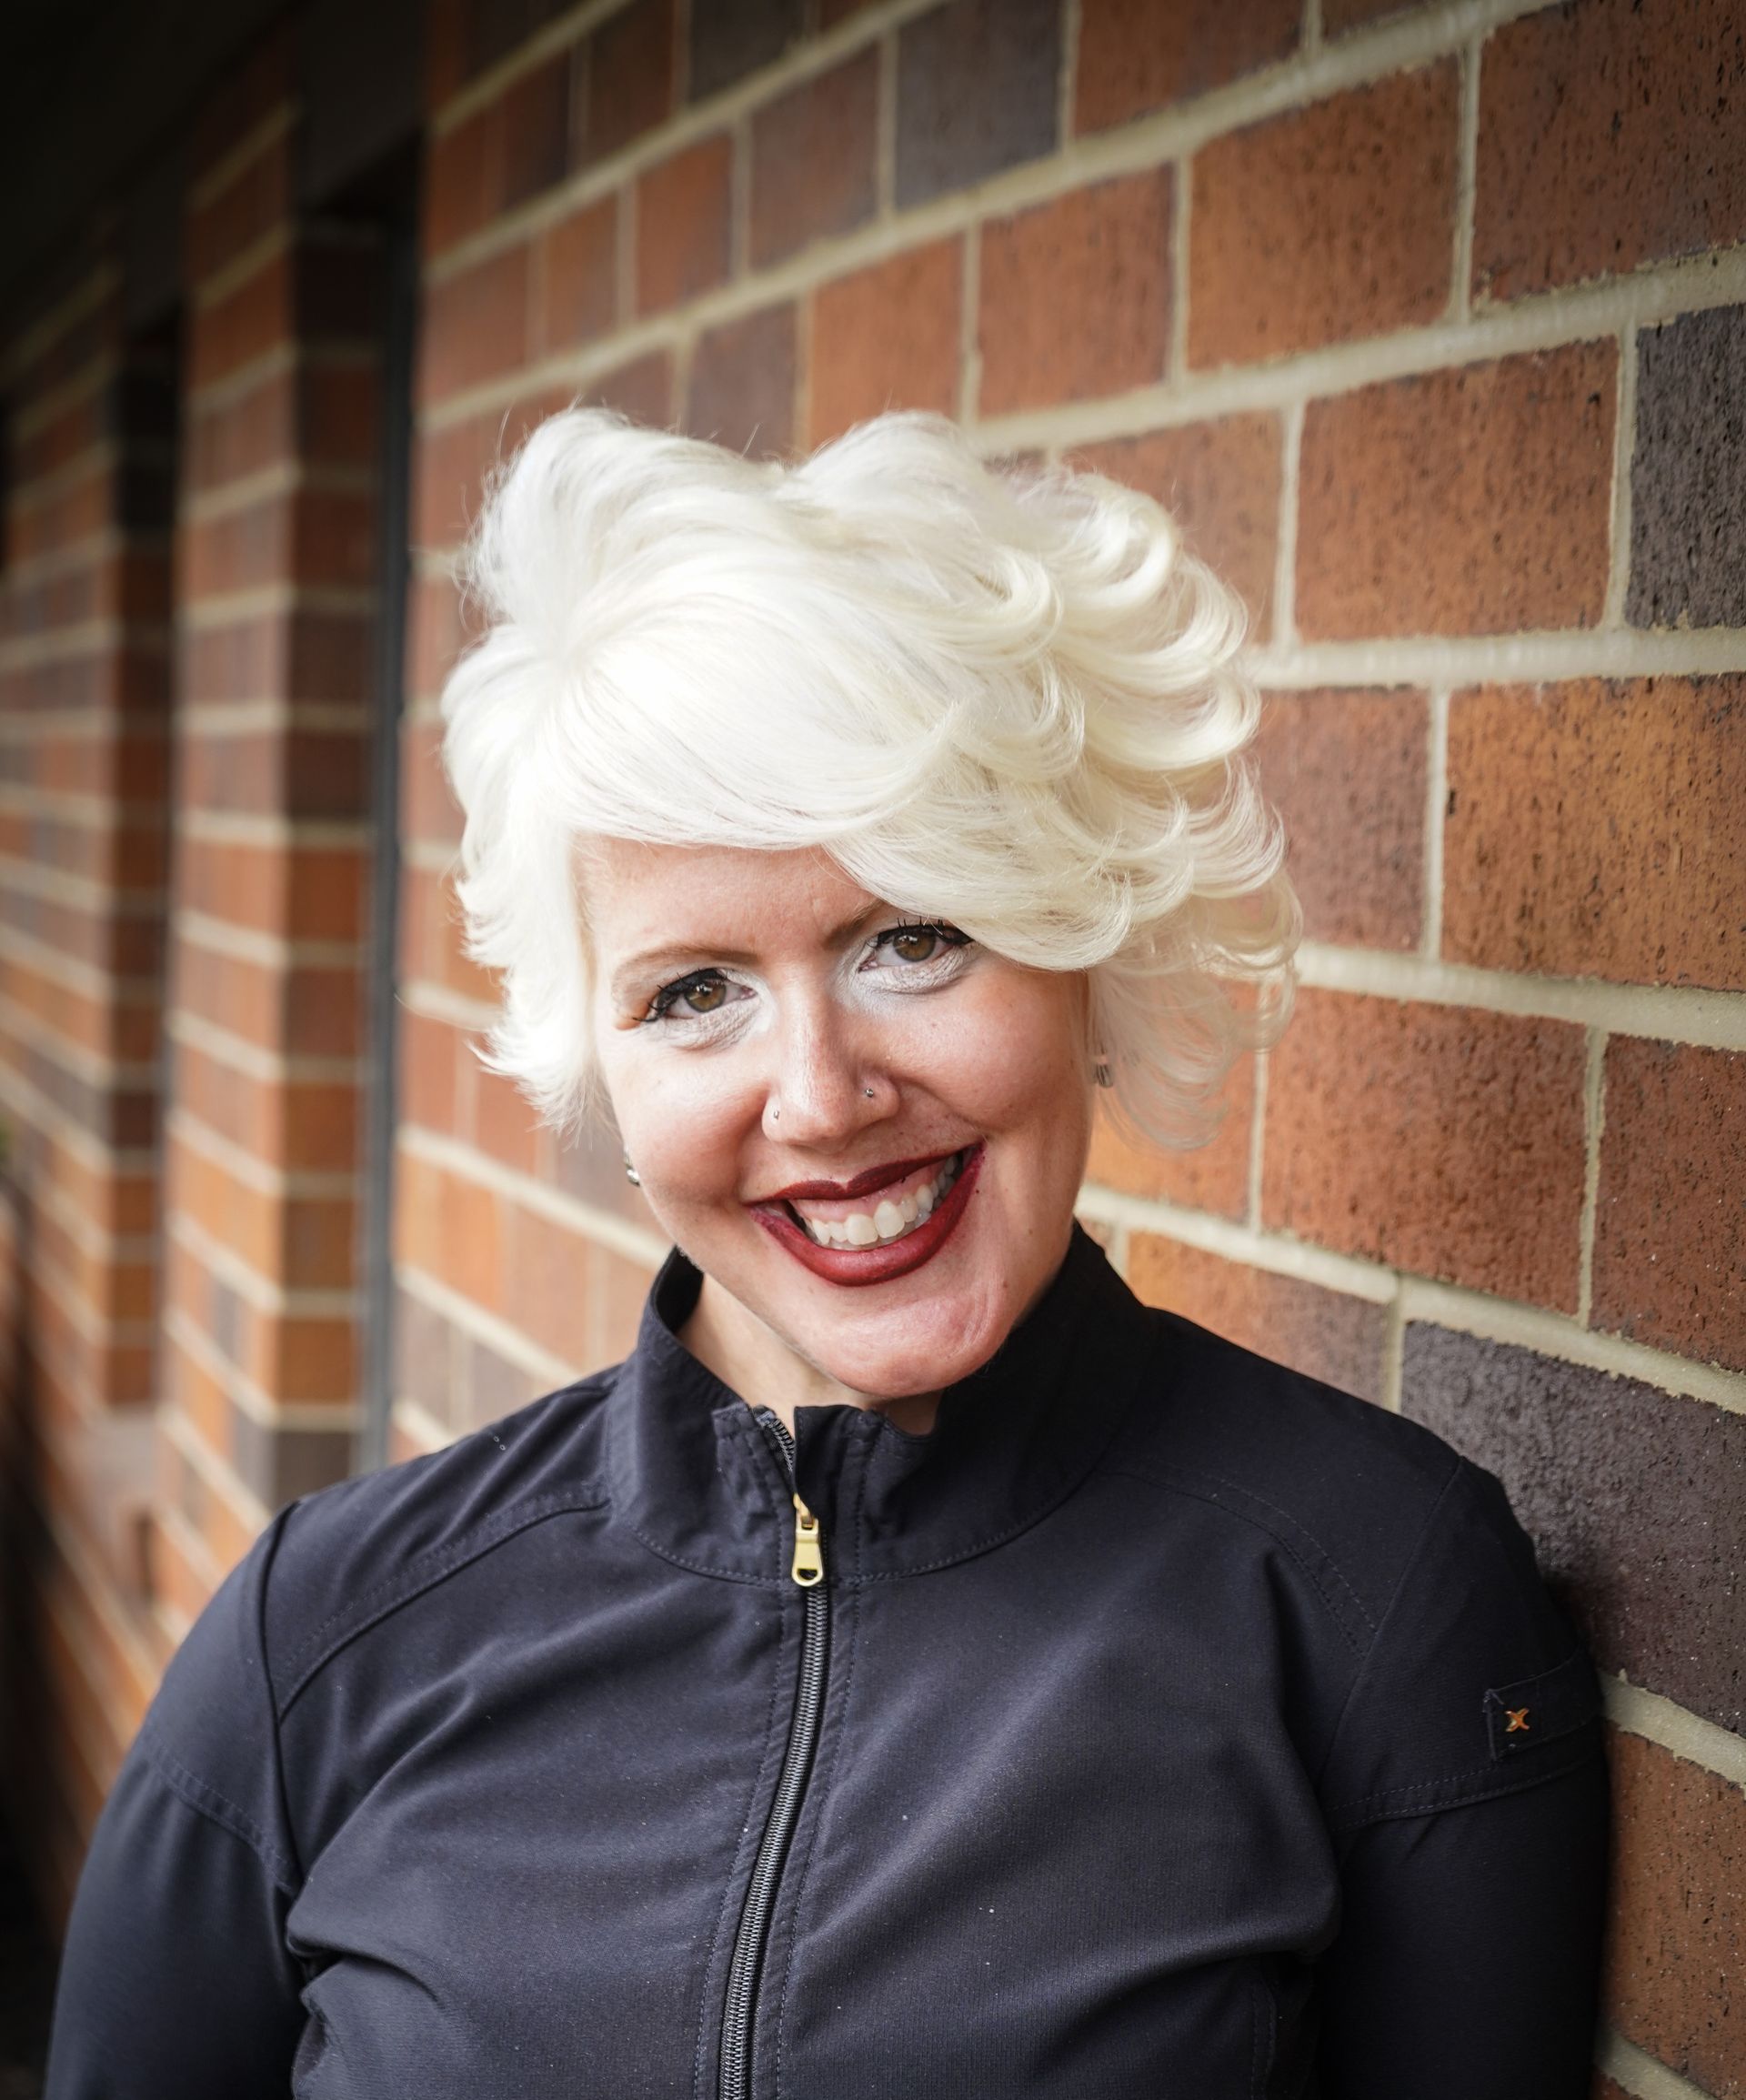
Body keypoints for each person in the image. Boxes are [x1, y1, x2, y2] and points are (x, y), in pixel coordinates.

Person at [45, 412, 1607, 2097]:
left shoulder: (1378, 1594)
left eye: (915, 936)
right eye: (692, 991)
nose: (822, 1096)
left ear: (1088, 948)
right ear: (602, 1061)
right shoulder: (327, 1629)